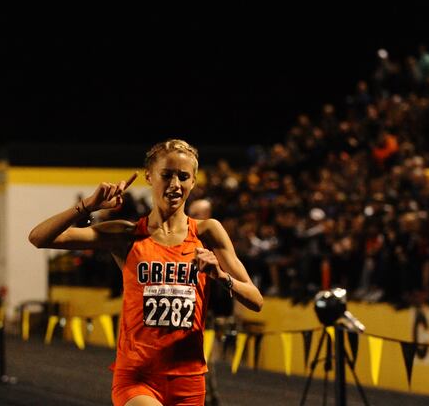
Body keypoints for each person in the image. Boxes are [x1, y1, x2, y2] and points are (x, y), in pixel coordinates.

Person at [29, 139, 263, 406]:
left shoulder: (208, 232)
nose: (175, 184)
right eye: (167, 175)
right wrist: (89, 206)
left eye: (184, 177)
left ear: (194, 182)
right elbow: (39, 238)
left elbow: (256, 300)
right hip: (137, 378)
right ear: (150, 177)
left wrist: (221, 277)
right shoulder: (126, 235)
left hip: (189, 380)